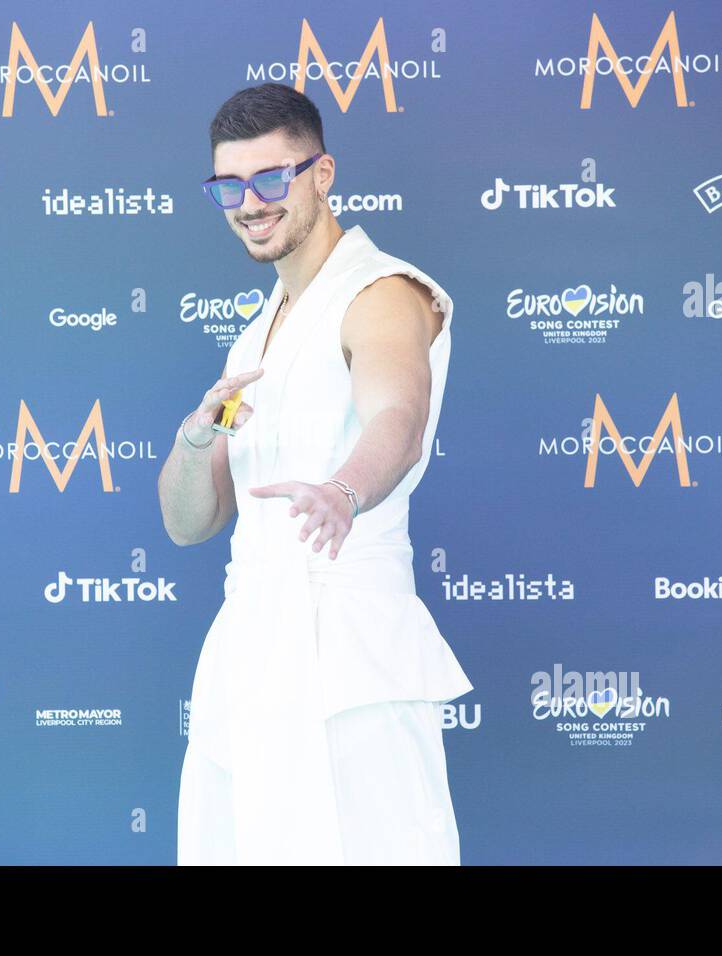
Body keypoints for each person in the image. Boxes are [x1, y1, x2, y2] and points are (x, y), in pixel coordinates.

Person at [158, 82, 473, 865]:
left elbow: (397, 420)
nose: (250, 203)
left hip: (347, 647)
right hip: (246, 653)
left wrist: (342, 492)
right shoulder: (252, 339)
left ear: (322, 174)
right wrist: (198, 440)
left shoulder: (383, 295)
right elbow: (189, 523)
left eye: (272, 179)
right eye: (229, 185)